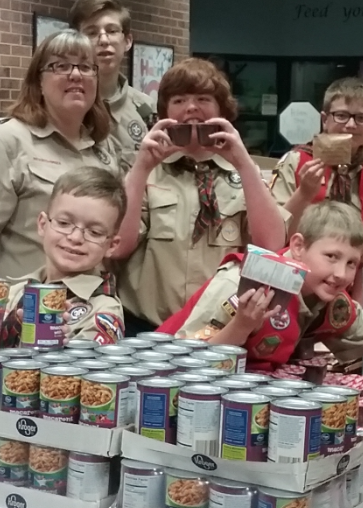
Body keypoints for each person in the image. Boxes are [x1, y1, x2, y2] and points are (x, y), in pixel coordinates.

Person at [0, 29, 118, 331]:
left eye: (86, 66)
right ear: (37, 81)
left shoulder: (104, 149)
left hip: (86, 318)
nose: (76, 75)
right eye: (61, 66)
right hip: (19, 317)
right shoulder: (6, 142)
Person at [157, 201, 363, 377]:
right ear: (298, 247)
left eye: (351, 263)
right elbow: (184, 361)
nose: (341, 275)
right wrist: (241, 326)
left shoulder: (330, 300)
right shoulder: (242, 282)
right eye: (331, 257)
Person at [114, 58, 288, 332]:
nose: (191, 107)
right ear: (165, 112)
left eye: (203, 99)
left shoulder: (245, 174)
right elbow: (118, 246)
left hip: (219, 331)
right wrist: (141, 168)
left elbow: (270, 246)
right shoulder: (146, 172)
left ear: (222, 110)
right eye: (179, 100)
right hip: (146, 329)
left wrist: (242, 163)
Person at [0, 166, 127, 396]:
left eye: (95, 232)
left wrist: (58, 348)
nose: (75, 237)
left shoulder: (103, 311)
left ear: (112, 245)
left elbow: (83, 397)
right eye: (64, 223)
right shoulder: (13, 294)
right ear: (42, 224)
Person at [270, 78, 363, 274]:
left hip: (343, 294)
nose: (351, 124)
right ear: (325, 119)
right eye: (341, 115)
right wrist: (303, 194)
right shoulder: (296, 162)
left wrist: (356, 304)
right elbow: (270, 236)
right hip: (286, 283)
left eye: (361, 118)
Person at [68, 0, 155, 173]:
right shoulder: (62, 108)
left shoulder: (147, 111)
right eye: (92, 32)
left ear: (128, 41)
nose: (104, 40)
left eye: (112, 31)